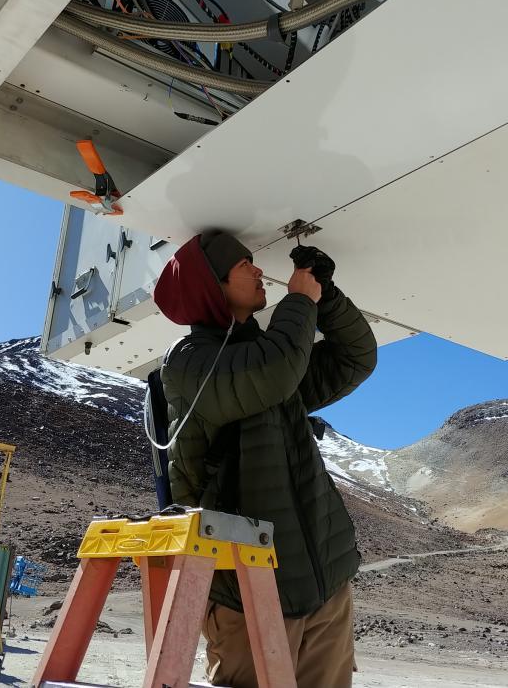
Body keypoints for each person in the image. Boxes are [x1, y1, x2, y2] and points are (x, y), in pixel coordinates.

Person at [153, 229, 377, 688]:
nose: (259, 270)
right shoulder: (189, 362)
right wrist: (299, 303)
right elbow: (270, 373)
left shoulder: (274, 357)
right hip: (245, 593)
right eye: (243, 265)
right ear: (212, 284)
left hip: (324, 588)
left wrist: (326, 295)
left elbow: (356, 357)